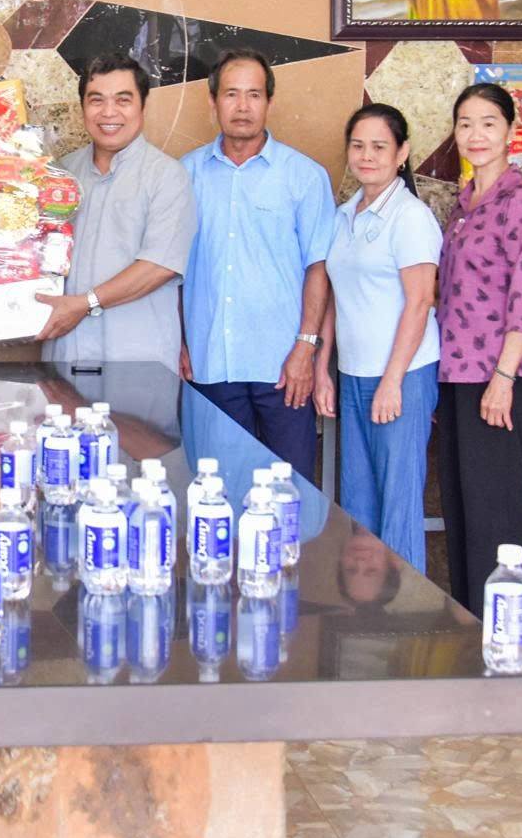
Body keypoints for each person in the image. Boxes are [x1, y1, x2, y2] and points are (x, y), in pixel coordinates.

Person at [178, 49, 333, 481]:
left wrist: (305, 348)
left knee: (290, 494)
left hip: (283, 366)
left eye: (254, 94)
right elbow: (172, 268)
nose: (242, 106)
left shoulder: (304, 176)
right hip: (211, 362)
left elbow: (317, 268)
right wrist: (179, 340)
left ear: (269, 102)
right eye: (231, 94)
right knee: (218, 493)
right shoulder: (185, 175)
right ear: (213, 101)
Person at [436, 83, 522, 616]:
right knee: (463, 505)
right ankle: (469, 621)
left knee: (496, 508)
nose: (475, 134)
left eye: (488, 123)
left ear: (509, 131)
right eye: (465, 123)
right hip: (458, 374)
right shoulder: (465, 204)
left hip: (500, 377)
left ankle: (500, 625)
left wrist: (503, 379)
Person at [319, 103, 440, 572]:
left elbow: (420, 301)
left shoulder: (410, 217)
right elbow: (335, 296)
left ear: (402, 153)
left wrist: (392, 381)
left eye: (379, 146)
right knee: (359, 507)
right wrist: (324, 369)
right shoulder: (343, 216)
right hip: (353, 376)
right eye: (358, 146)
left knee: (397, 506)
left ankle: (408, 611)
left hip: (402, 377)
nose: (366, 156)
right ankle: (366, 609)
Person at [37, 55, 197, 368]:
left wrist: (85, 303)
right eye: (96, 100)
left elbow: (159, 266)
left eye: (123, 100)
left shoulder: (167, 176)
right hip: (66, 353)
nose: (109, 112)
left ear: (143, 106)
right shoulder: (60, 174)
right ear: (82, 107)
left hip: (137, 359)